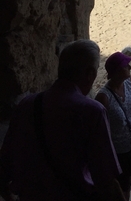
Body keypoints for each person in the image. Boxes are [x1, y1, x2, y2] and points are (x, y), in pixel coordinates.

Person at [0, 40, 124, 201]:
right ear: (90, 74)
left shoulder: (27, 105)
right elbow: (106, 178)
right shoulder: (92, 111)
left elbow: (4, 166)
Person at [96, 52, 131, 200]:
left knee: (127, 185)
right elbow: (100, 131)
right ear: (118, 70)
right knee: (118, 189)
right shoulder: (104, 97)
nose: (130, 67)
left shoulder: (130, 82)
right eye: (126, 65)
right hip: (117, 153)